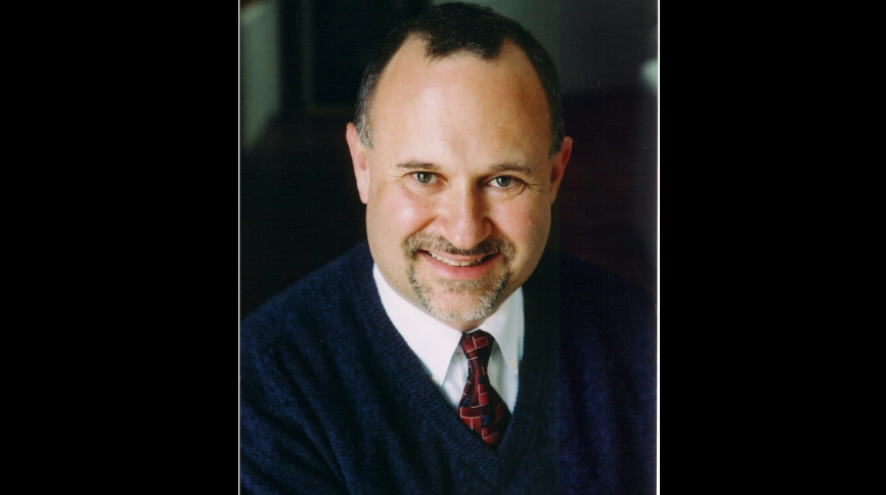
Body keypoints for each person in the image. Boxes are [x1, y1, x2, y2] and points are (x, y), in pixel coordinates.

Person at [240, 3, 655, 494]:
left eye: (503, 180)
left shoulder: (640, 331)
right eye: (423, 177)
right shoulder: (264, 385)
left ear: (554, 174)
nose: (464, 233)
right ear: (362, 166)